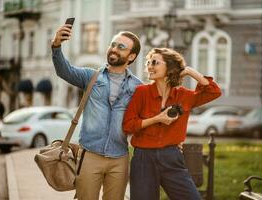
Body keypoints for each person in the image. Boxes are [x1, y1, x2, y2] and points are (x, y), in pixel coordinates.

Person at [51, 22, 142, 200]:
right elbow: (64, 70)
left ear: (131, 56)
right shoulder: (91, 76)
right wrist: (56, 45)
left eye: (121, 47)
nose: (114, 49)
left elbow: (149, 116)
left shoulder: (138, 87)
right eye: (113, 44)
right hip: (90, 154)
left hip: (119, 158)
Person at [123, 48, 222, 200]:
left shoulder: (184, 95)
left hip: (172, 157)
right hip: (143, 158)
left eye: (155, 62)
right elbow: (128, 125)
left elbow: (214, 91)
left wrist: (188, 71)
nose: (149, 66)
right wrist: (157, 119)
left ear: (169, 67)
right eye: (148, 62)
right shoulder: (142, 92)